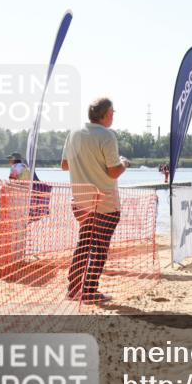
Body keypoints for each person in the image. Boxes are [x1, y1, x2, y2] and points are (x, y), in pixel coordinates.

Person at [61, 98, 129, 305]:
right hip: (105, 202)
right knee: (99, 249)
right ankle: (90, 291)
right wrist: (125, 164)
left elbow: (64, 165)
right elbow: (113, 171)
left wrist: (85, 166)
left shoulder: (74, 133)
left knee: (84, 244)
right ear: (106, 114)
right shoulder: (107, 136)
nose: (113, 116)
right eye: (113, 112)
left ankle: (73, 289)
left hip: (81, 202)